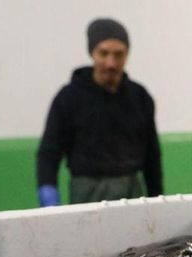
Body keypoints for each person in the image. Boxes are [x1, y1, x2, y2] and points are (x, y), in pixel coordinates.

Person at [36, 18, 164, 206]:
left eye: (118, 55)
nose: (111, 63)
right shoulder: (69, 97)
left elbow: (151, 155)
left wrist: (157, 197)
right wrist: (47, 189)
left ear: (127, 55)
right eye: (103, 53)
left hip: (131, 192)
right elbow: (49, 151)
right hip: (86, 193)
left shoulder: (140, 97)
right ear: (92, 53)